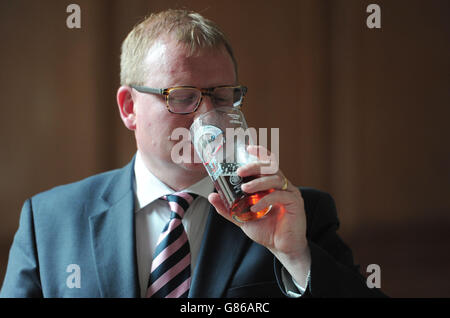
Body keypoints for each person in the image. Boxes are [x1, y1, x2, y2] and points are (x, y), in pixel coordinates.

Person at [0, 9, 384, 298]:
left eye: (221, 97)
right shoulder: (49, 222)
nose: (206, 118)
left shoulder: (297, 215)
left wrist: (297, 257)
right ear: (129, 107)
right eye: (182, 97)